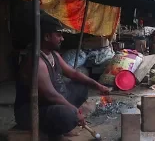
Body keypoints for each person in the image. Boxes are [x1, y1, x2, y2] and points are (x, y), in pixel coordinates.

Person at [14, 12, 111, 141]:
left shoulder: (53, 54)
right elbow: (50, 94)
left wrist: (98, 85)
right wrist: (75, 112)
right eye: (58, 35)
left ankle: (62, 124)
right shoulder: (36, 61)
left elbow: (74, 74)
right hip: (31, 113)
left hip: (50, 103)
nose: (62, 39)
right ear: (47, 37)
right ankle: (56, 131)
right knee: (69, 115)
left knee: (81, 86)